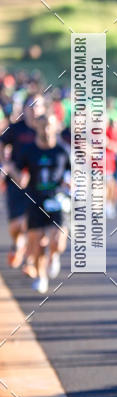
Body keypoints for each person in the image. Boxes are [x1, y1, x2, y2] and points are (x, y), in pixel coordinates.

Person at [7, 112, 70, 294]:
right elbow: (21, 180)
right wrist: (14, 172)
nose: (47, 129)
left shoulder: (62, 150)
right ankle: (41, 276)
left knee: (57, 242)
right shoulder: (28, 150)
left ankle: (54, 256)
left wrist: (71, 183)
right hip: (35, 200)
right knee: (36, 243)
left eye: (50, 125)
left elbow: (74, 174)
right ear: (37, 128)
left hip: (57, 200)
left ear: (56, 127)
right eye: (43, 126)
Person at [0, 94, 47, 269]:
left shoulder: (45, 129)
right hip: (16, 181)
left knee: (30, 224)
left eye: (38, 106)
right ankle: (17, 244)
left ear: (43, 109)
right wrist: (8, 166)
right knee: (15, 226)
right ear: (25, 109)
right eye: (31, 106)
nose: (35, 109)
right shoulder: (15, 129)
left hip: (36, 183)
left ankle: (29, 260)